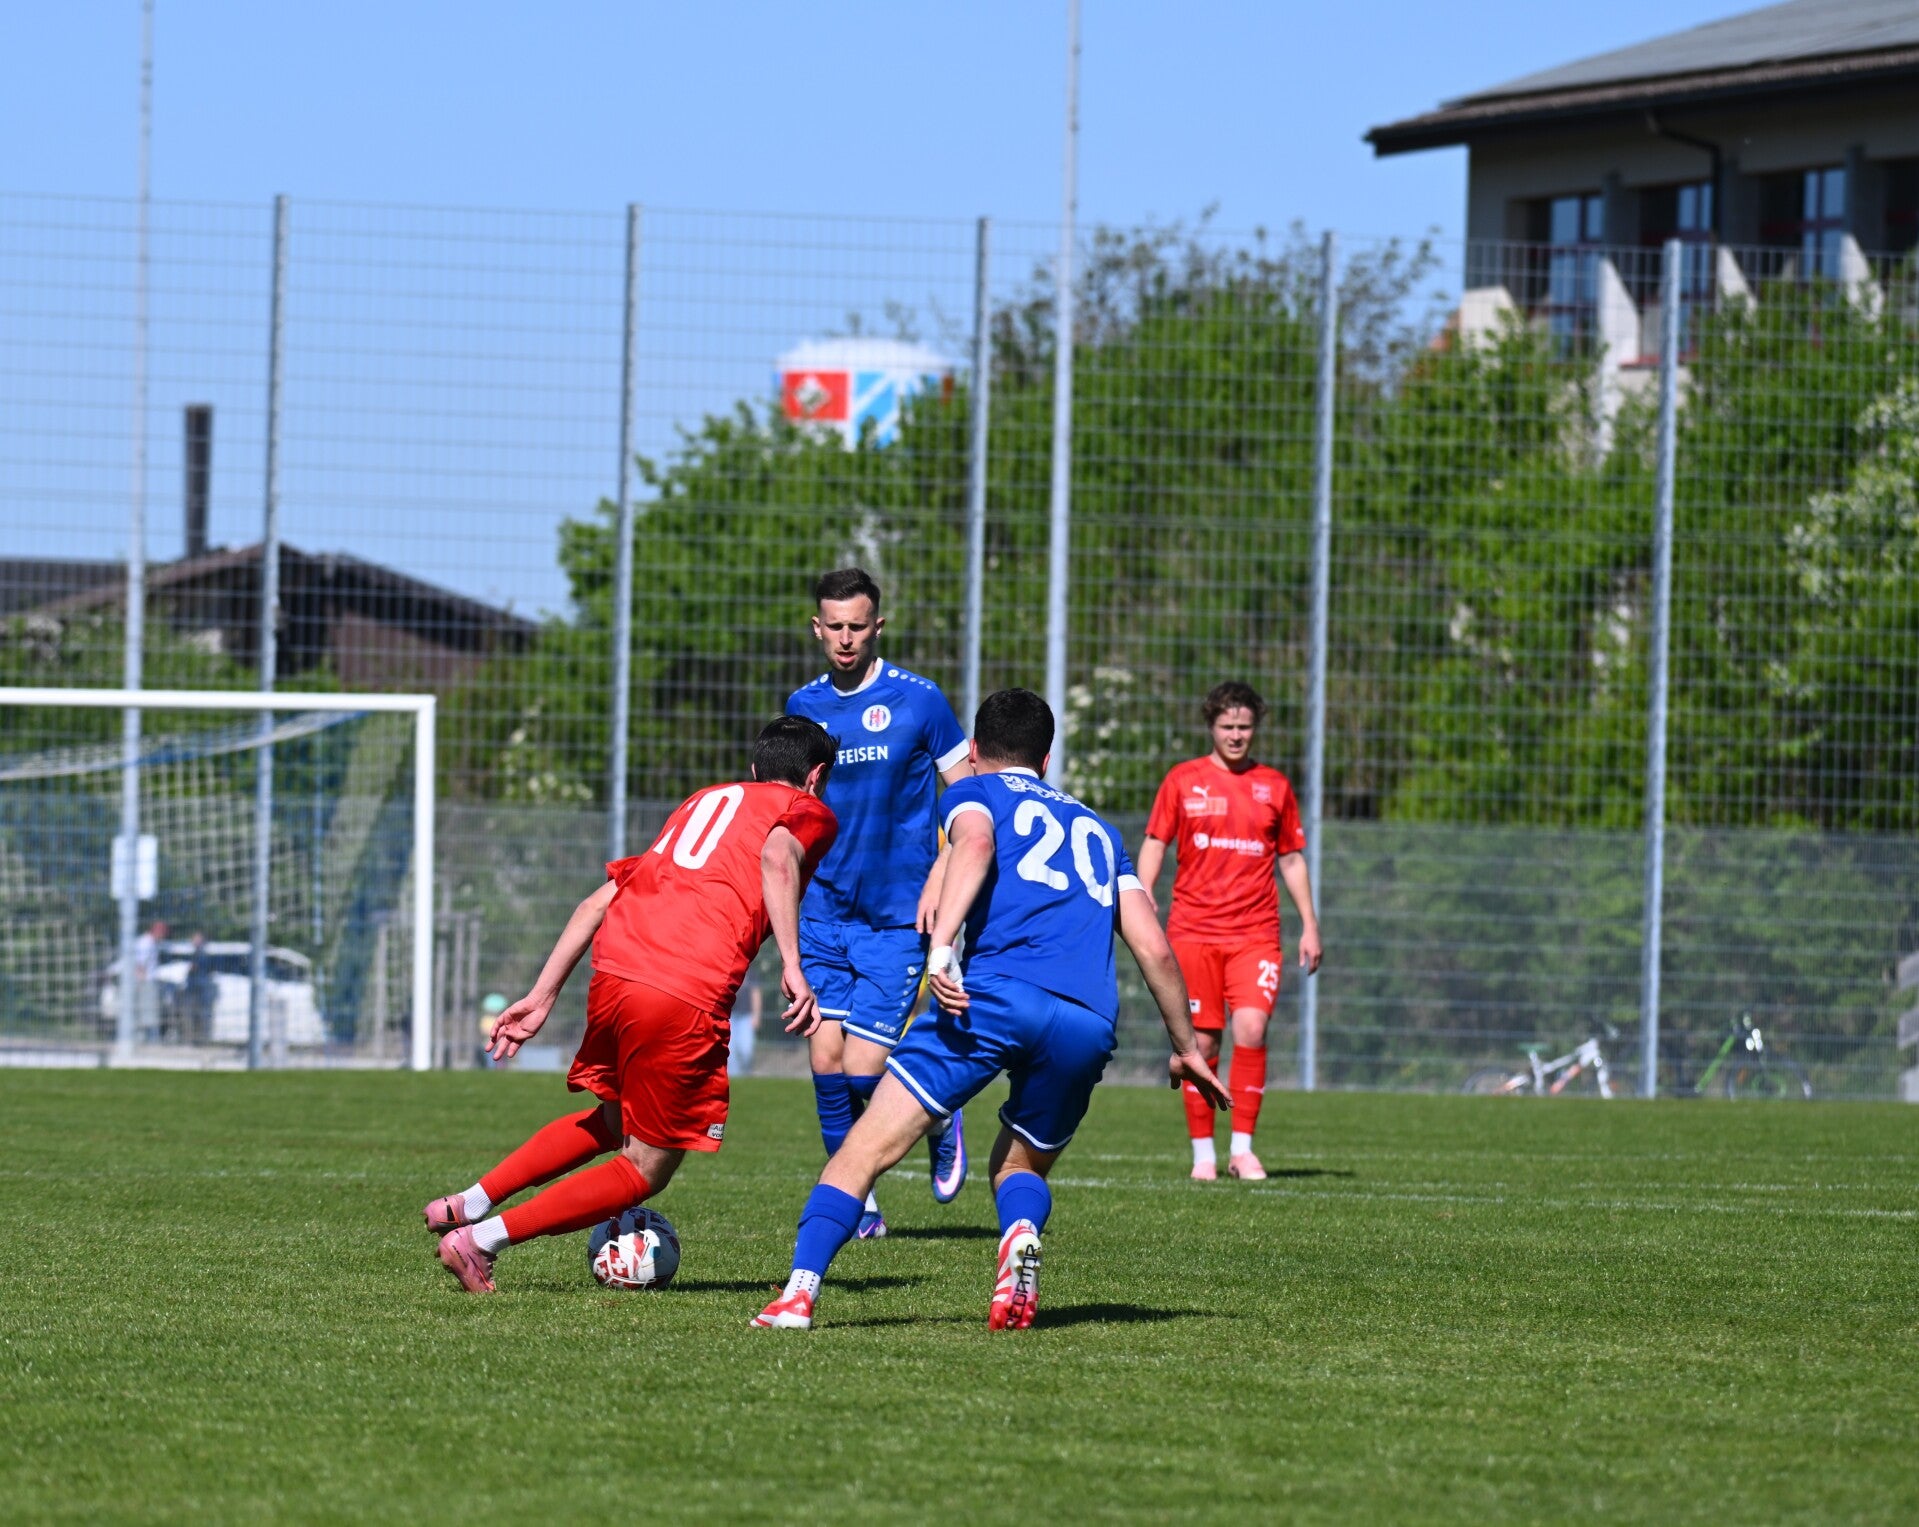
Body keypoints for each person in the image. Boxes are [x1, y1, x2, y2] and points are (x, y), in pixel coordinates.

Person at [754, 688, 1229, 1332]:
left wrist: (941, 950)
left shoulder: (974, 794)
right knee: (1018, 1161)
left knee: (861, 1151)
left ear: (974, 751)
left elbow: (974, 847)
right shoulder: (1100, 830)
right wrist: (1187, 1047)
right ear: (1046, 757)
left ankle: (797, 1295)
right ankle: (1021, 1236)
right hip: (1088, 1021)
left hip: (996, 999)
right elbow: (1154, 948)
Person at [424, 716, 839, 1293]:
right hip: (681, 988)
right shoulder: (806, 809)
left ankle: (465, 1203)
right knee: (647, 1167)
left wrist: (542, 995)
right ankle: (480, 1240)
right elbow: (777, 857)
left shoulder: (703, 803)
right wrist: (794, 965)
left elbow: (601, 900)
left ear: (753, 769)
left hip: (616, 972)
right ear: (816, 777)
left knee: (616, 1119)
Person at [785, 567, 974, 1238]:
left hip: (896, 914)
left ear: (878, 627)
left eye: (857, 626)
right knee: (824, 1063)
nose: (845, 638)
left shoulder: (919, 700)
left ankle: (939, 1111)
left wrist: (942, 871)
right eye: (834, 626)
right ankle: (858, 1202)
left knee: (864, 1069)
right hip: (823, 910)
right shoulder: (801, 704)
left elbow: (967, 798)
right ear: (817, 628)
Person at [1137, 682, 1323, 1182]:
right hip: (1193, 930)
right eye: (1227, 726)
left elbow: (1292, 858)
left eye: (1244, 726)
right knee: (1200, 1043)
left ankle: (1243, 1150)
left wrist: (1310, 924)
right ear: (1211, 727)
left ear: (1255, 728)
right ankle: (1204, 1155)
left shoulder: (1274, 786)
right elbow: (1155, 841)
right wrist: (1144, 891)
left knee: (1252, 1028)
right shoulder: (1183, 780)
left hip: (1255, 933)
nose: (1236, 735)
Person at [727, 969, 763, 1078]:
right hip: (729, 1016)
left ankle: (746, 1075)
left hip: (746, 1017)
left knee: (746, 1049)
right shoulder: (728, 969)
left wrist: (756, 1016)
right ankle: (735, 1078)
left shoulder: (750, 972)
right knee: (730, 1052)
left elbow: (756, 994)